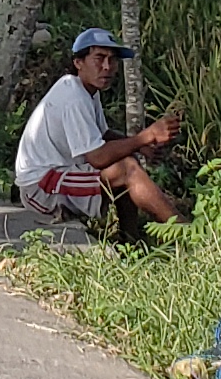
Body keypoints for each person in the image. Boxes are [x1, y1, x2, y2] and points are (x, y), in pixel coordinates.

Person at [15, 27, 185, 241]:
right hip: (40, 187)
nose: (107, 67)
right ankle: (188, 234)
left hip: (57, 176)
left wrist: (139, 146)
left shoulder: (85, 90)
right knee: (127, 169)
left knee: (127, 160)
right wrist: (146, 136)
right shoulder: (73, 97)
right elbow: (97, 157)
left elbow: (103, 134)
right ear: (79, 63)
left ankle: (130, 241)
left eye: (112, 60)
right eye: (99, 58)